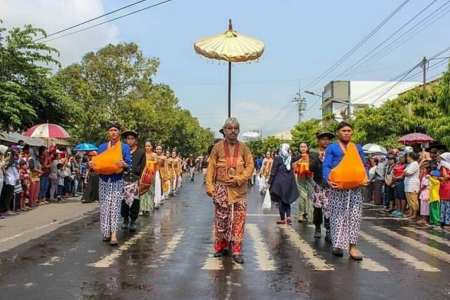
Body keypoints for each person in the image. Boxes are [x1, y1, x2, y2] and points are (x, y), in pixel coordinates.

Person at [205, 117, 254, 264]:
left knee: (239, 220)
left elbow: (250, 166)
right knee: (221, 219)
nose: (233, 131)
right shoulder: (217, 147)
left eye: (236, 128)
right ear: (224, 130)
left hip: (239, 190)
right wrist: (209, 186)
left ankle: (237, 250)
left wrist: (240, 179)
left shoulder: (244, 148)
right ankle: (222, 246)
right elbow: (211, 167)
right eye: (230, 128)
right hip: (221, 188)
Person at [323, 121, 368, 261]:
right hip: (338, 188)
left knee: (354, 217)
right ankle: (337, 245)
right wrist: (328, 180)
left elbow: (364, 164)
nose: (347, 133)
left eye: (349, 130)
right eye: (344, 130)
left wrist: (366, 178)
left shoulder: (357, 147)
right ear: (338, 132)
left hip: (355, 188)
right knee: (337, 217)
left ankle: (352, 247)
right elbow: (326, 165)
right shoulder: (332, 148)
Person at [89, 121, 131, 246]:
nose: (113, 132)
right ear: (108, 132)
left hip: (117, 179)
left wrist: (124, 165)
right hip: (103, 180)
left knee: (115, 207)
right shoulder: (102, 147)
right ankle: (106, 233)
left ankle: (113, 234)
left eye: (115, 130)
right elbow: (97, 164)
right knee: (104, 207)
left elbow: (129, 165)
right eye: (111, 130)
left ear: (119, 132)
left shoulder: (124, 147)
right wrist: (91, 165)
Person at [310, 131, 335, 242]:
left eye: (327, 139)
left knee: (329, 207)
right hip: (317, 183)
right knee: (318, 207)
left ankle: (329, 230)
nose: (325, 141)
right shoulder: (313, 154)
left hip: (329, 184)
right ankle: (317, 228)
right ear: (318, 141)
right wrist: (318, 159)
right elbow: (311, 168)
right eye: (323, 139)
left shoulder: (332, 153)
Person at [267, 144, 301, 224]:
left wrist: (269, 182)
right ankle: (288, 216)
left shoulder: (278, 158)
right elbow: (298, 157)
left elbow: (273, 171)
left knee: (281, 200)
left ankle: (282, 218)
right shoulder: (290, 158)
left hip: (280, 182)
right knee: (287, 199)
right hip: (289, 181)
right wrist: (304, 154)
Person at [121, 130, 146, 231]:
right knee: (124, 202)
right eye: (128, 139)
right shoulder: (121, 151)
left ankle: (133, 220)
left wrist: (140, 176)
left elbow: (143, 166)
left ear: (135, 140)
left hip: (135, 180)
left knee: (135, 202)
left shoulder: (141, 152)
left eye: (132, 139)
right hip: (124, 180)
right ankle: (125, 219)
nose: (130, 141)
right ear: (126, 140)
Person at [295, 142, 314, 222]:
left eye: (304, 146)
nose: (303, 148)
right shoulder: (297, 158)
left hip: (310, 178)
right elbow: (294, 169)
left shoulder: (311, 157)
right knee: (303, 196)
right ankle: (301, 213)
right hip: (300, 178)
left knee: (309, 196)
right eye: (301, 147)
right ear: (299, 149)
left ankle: (308, 213)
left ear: (307, 148)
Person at [404, 152, 420, 219]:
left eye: (407, 156)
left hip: (413, 184)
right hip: (408, 184)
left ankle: (415, 214)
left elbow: (408, 173)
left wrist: (405, 173)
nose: (407, 158)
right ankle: (411, 212)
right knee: (409, 200)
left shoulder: (415, 164)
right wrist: (405, 173)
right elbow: (404, 172)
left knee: (413, 199)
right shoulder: (409, 164)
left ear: (410, 157)